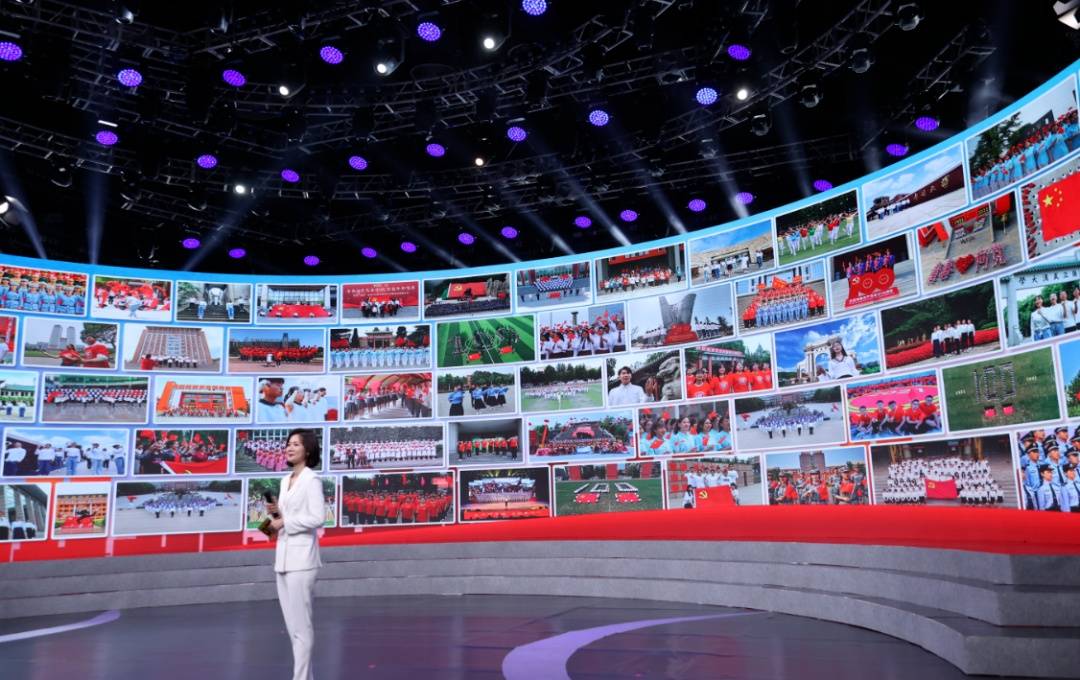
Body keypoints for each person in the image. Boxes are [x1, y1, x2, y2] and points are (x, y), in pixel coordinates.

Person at [267, 428, 326, 680]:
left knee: (302, 628)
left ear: (307, 450)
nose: (289, 448)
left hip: (302, 561)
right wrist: (273, 518)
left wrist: (285, 522)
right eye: (288, 444)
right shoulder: (285, 480)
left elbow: (317, 518)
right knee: (293, 630)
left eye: (296, 444)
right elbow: (282, 519)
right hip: (282, 559)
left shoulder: (312, 480)